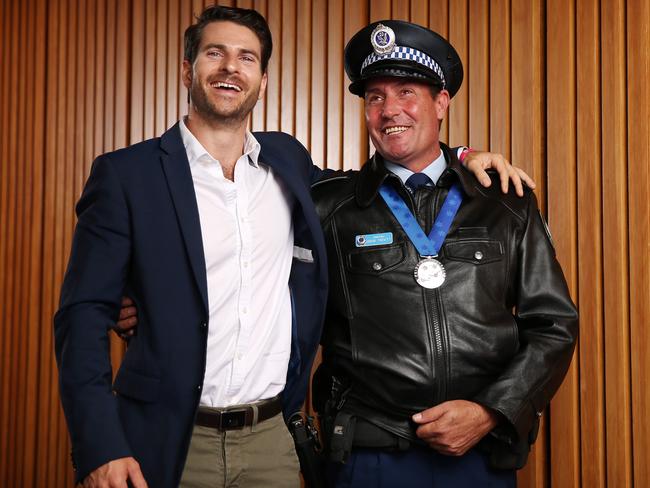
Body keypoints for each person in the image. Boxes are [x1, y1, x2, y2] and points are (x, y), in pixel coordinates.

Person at [57, 6, 533, 488]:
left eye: (246, 58)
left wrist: (462, 157)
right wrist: (100, 445)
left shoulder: (288, 164)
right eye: (214, 53)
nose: (229, 67)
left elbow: (383, 179)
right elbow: (82, 315)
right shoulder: (125, 175)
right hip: (167, 437)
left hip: (270, 442)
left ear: (262, 82)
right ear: (187, 69)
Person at [308, 20, 578, 487]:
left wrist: (493, 411)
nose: (389, 110)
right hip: (366, 456)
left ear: (441, 102)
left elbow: (553, 324)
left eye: (407, 92)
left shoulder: (506, 201)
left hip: (478, 452)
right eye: (375, 97)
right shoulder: (329, 205)